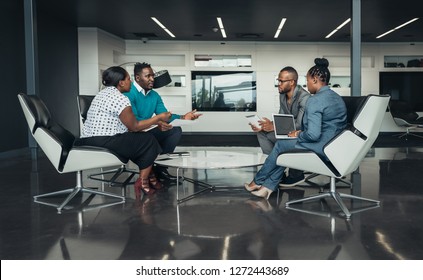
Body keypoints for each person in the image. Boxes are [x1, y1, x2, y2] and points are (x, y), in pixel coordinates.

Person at [244, 58, 347, 199]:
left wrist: (299, 134)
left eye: (308, 80)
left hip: (321, 145)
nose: (306, 84)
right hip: (334, 144)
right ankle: (267, 187)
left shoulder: (314, 100)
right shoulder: (336, 97)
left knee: (282, 145)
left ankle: (258, 181)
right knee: (283, 146)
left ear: (315, 80)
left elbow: (313, 135)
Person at [75, 66, 171, 197]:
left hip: (87, 139)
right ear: (121, 82)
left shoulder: (101, 94)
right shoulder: (120, 98)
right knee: (149, 140)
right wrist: (158, 118)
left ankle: (150, 177)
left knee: (139, 140)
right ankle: (143, 182)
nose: (131, 82)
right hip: (104, 141)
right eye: (128, 79)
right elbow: (134, 126)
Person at [124, 62, 201, 181]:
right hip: (131, 133)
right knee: (155, 134)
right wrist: (157, 122)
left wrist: (183, 117)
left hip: (146, 131)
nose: (152, 79)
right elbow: (133, 121)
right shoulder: (129, 93)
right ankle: (149, 167)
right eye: (148, 76)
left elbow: (164, 115)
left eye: (152, 76)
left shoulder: (154, 95)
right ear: (137, 78)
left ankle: (160, 168)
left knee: (174, 130)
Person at [250, 66, 310, 187]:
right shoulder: (283, 95)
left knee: (281, 139)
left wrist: (274, 126)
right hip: (287, 132)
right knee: (262, 133)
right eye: (278, 80)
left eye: (281, 81)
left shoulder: (304, 97)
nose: (279, 84)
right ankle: (274, 169)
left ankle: (296, 174)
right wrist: (266, 126)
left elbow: (300, 124)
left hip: (301, 135)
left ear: (292, 82)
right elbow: (281, 117)